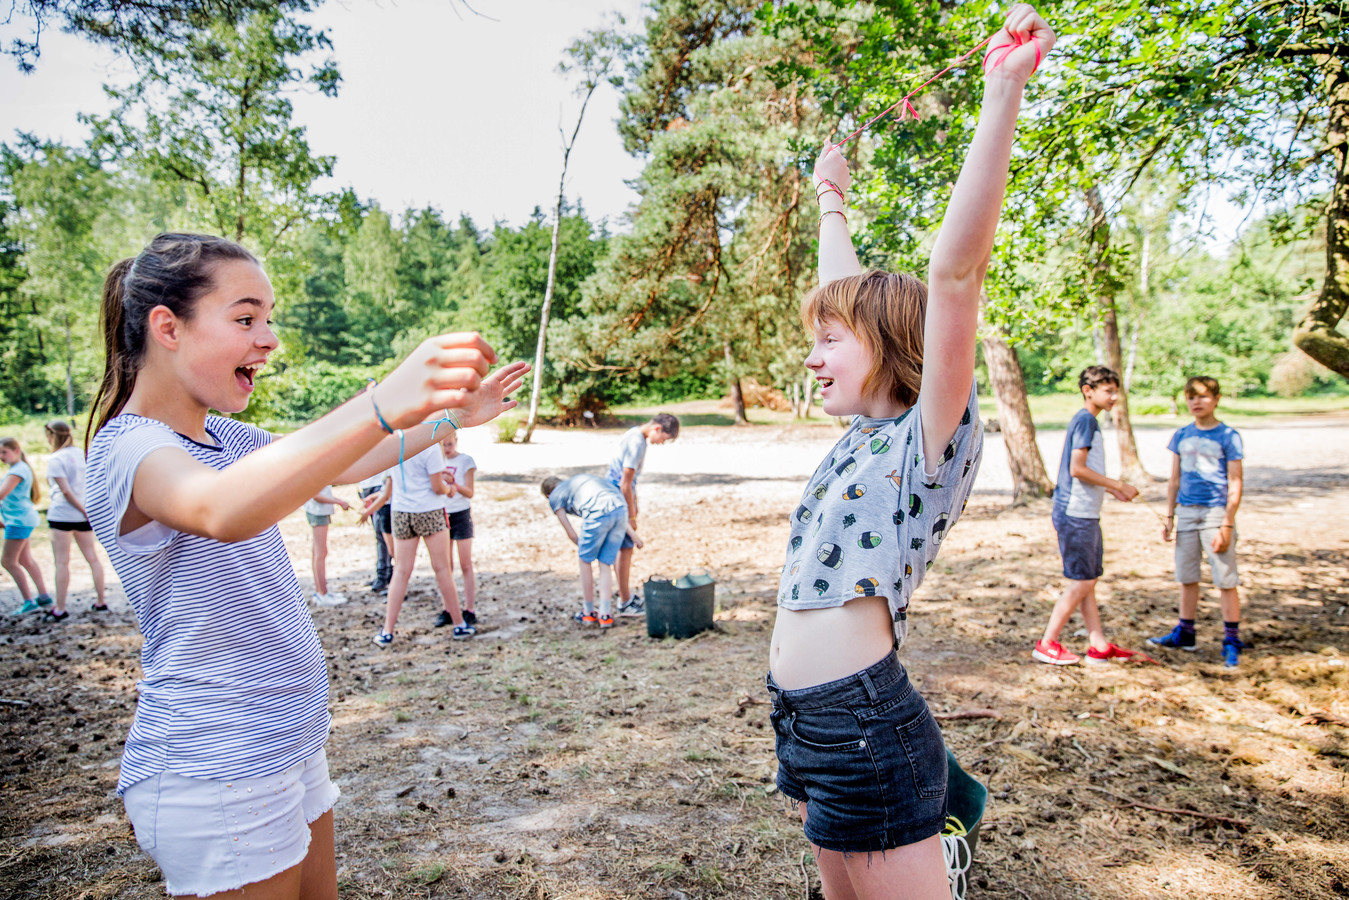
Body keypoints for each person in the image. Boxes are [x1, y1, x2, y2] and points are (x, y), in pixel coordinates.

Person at [82, 232, 526, 900]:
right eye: (244, 318)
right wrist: (381, 401)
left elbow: (339, 461)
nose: (269, 338)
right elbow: (219, 508)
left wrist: (445, 418)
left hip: (286, 742)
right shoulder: (129, 447)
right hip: (216, 765)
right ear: (167, 327)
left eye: (268, 318)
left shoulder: (226, 435)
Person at [767, 9, 1054, 899]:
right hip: (804, 722)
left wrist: (1000, 92)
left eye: (830, 343)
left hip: (861, 723)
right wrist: (830, 198)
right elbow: (841, 294)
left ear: (892, 349)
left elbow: (952, 276)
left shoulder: (925, 444)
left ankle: (947, 839)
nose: (811, 357)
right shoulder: (862, 435)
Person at [1032, 366, 1139, 665]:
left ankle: (1098, 644)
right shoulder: (1085, 421)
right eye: (1108, 390)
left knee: (1088, 579)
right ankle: (1047, 642)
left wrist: (1112, 491)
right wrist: (1118, 484)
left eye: (1116, 390)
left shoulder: (1090, 422)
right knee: (1082, 581)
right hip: (1075, 512)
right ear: (1087, 390)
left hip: (1086, 512)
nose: (1114, 396)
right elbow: (1077, 469)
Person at [1148, 375, 1246, 666]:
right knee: (1187, 576)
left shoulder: (1228, 436)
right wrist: (1170, 517)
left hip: (1216, 513)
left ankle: (1231, 639)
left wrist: (1227, 522)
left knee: (1225, 578)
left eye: (1203, 396)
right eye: (1191, 397)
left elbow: (1235, 482)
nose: (1197, 402)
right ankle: (1185, 631)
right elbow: (1174, 479)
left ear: (1216, 399)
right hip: (1187, 512)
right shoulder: (1181, 435)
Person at [372, 440, 473, 646]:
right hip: (429, 511)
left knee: (400, 571)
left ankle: (387, 630)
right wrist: (449, 489)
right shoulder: (429, 446)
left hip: (401, 512)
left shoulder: (395, 443)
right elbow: (437, 488)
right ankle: (459, 624)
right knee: (442, 569)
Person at [541, 473, 642, 629]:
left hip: (598, 513)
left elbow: (572, 533)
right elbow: (612, 508)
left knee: (585, 560)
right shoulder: (576, 482)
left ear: (548, 495)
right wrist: (635, 537)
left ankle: (588, 612)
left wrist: (583, 547)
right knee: (605, 562)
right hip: (621, 509)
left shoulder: (555, 497)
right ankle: (605, 614)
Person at [605, 412, 678, 613]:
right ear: (657, 429)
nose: (662, 443)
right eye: (664, 438)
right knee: (626, 547)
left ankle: (625, 596)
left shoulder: (635, 434)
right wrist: (631, 516)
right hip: (617, 497)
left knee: (624, 546)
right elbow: (625, 483)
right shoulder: (637, 442)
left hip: (617, 495)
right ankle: (625, 601)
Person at [43, 420, 108, 620]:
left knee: (62, 562)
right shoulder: (81, 454)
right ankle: (101, 600)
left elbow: (64, 490)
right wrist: (87, 510)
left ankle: (60, 607)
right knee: (93, 558)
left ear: (51, 435)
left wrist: (82, 509)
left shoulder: (56, 458)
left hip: (63, 514)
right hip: (83, 514)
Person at [0, 436, 52, 615]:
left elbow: (1, 494)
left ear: (16, 450)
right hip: (20, 519)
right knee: (25, 559)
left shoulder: (17, 471)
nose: (1, 456)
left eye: (4, 452)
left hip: (19, 521)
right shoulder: (18, 468)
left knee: (7, 561)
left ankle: (29, 601)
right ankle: (44, 596)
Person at [439, 429, 478, 626]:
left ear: (456, 440)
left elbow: (470, 492)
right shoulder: (436, 462)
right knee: (446, 565)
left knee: (465, 564)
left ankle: (469, 608)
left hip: (461, 514)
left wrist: (454, 485)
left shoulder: (466, 461)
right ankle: (448, 608)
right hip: (442, 514)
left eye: (449, 444)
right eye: (443, 444)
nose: (446, 448)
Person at [305, 486, 352, 607]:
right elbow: (316, 496)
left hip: (320, 511)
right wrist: (339, 502)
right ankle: (322, 593)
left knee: (318, 552)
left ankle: (322, 591)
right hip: (318, 511)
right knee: (320, 553)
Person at [357, 467, 394, 594]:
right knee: (380, 537)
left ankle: (386, 576)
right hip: (369, 487)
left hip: (379, 487)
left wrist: (367, 512)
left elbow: (386, 494)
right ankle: (384, 575)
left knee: (384, 539)